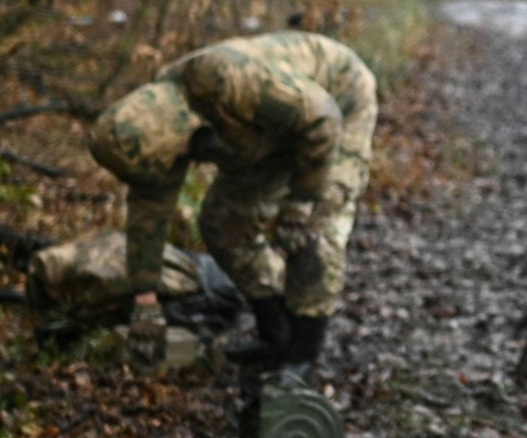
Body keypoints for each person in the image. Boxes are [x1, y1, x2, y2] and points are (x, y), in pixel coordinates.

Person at [89, 30, 377, 378]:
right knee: (223, 222)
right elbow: (147, 218)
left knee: (315, 227)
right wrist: (145, 302)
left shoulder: (224, 81)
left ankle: (302, 354)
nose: (185, 160)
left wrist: (301, 201)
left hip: (337, 102)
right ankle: (275, 333)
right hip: (267, 135)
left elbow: (322, 119)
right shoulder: (152, 133)